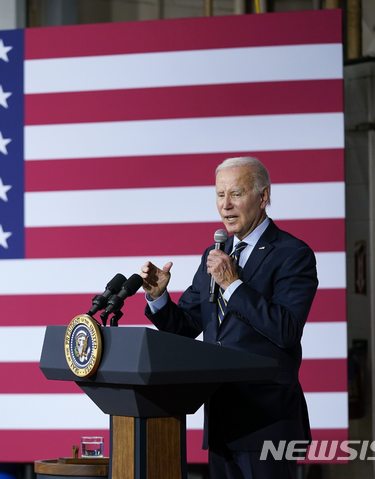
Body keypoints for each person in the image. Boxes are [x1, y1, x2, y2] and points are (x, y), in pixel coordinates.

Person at [140, 156, 318, 479]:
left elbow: (287, 329)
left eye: (235, 194)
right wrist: (158, 297)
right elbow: (186, 327)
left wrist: (233, 285)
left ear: (263, 197)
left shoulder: (293, 255)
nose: (226, 206)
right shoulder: (215, 256)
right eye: (220, 195)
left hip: (267, 423)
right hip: (221, 422)